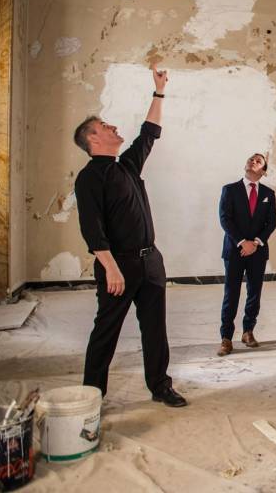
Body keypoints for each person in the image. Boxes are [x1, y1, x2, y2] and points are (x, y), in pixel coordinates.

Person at [72, 66, 186, 407]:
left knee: (155, 330)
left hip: (150, 262)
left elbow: (149, 133)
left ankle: (160, 386)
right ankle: (92, 396)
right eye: (105, 127)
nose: (113, 127)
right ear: (92, 139)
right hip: (117, 266)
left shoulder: (126, 166)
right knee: (106, 331)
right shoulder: (90, 177)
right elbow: (92, 229)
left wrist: (159, 91)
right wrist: (110, 268)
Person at [217, 153, 276, 356]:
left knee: (254, 293)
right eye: (251, 159)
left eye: (258, 161)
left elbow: (272, 223)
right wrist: (243, 242)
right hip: (235, 250)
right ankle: (226, 337)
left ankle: (248, 331)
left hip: (258, 251)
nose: (253, 161)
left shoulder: (269, 193)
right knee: (231, 293)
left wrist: (256, 243)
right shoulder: (230, 189)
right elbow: (225, 219)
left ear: (264, 170)